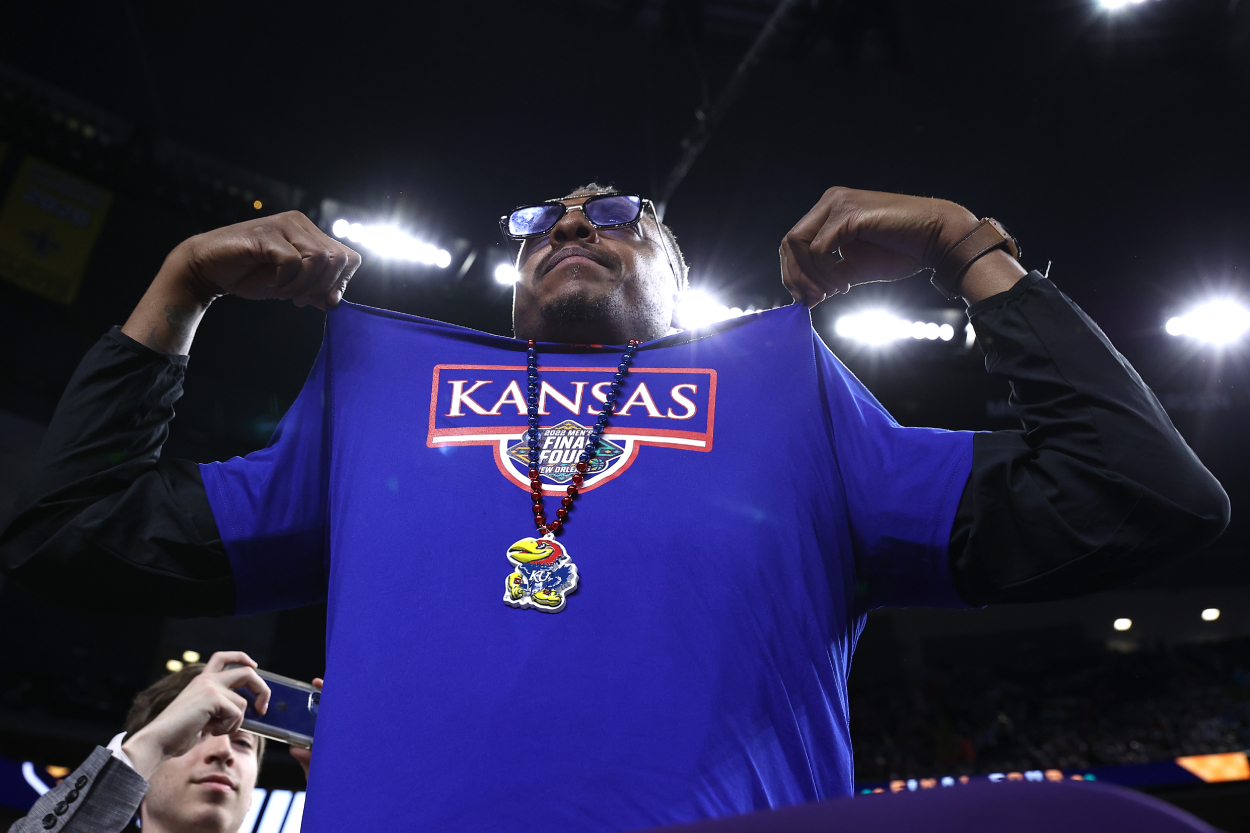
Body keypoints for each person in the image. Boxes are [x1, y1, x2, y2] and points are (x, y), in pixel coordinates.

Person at [0, 185, 1229, 832]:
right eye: (540, 222)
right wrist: (176, 293)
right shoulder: (377, 399)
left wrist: (971, 248)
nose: (570, 229)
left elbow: (1141, 492)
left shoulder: (791, 389)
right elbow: (70, 531)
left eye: (617, 214)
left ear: (689, 283)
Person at [9, 652, 271, 833]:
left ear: (252, 794)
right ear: (141, 773)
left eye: (243, 743)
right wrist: (148, 747)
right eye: (198, 734)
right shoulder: (145, 755)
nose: (223, 751)